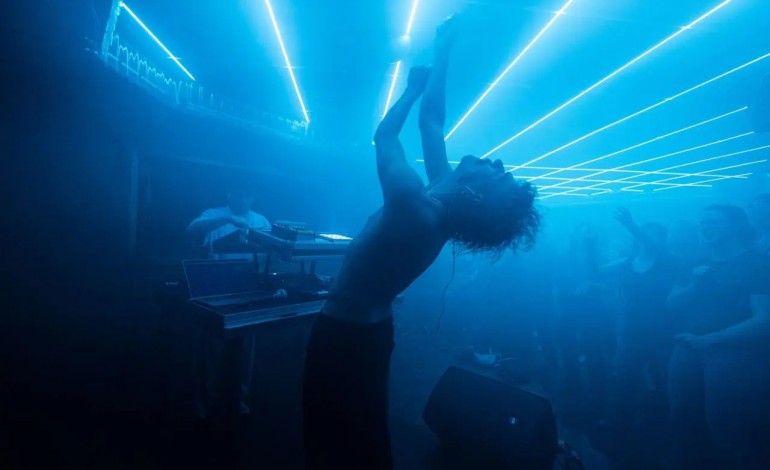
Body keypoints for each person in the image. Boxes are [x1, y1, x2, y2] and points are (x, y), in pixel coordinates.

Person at [301, 17, 539, 470]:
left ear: (476, 196)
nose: (496, 162)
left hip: (344, 333)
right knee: (364, 429)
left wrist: (410, 90)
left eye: (499, 174)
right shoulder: (441, 199)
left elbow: (385, 136)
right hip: (370, 330)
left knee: (331, 432)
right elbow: (432, 123)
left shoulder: (414, 204)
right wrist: (443, 51)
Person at [667, 204, 770, 470]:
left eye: (713, 222)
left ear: (736, 225)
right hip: (687, 348)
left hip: (734, 355)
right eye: (702, 222)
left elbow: (764, 320)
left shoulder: (757, 264)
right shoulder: (694, 261)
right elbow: (670, 304)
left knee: (726, 426)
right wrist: (695, 285)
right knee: (683, 416)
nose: (705, 227)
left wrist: (710, 340)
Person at [186, 184, 271, 419]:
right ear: (230, 194)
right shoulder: (213, 214)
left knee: (245, 350)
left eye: (248, 194)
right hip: (216, 291)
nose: (243, 198)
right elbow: (191, 230)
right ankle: (207, 404)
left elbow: (271, 251)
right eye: (238, 193)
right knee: (212, 351)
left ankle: (238, 400)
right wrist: (228, 219)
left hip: (248, 290)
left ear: (254, 197)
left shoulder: (261, 220)